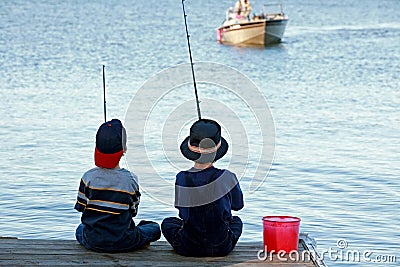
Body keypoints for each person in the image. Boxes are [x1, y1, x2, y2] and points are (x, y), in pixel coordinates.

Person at [74, 119, 161, 252]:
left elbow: (81, 207)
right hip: (124, 241)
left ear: (96, 148)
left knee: (80, 228)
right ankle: (138, 241)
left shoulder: (88, 177)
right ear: (124, 149)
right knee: (154, 228)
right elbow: (133, 211)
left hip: (93, 241)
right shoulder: (130, 179)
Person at [161, 119, 244, 257]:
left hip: (188, 246)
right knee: (237, 221)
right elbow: (238, 205)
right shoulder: (228, 177)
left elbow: (183, 213)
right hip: (221, 246)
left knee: (168, 223)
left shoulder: (182, 177)